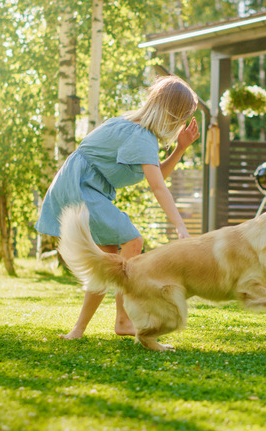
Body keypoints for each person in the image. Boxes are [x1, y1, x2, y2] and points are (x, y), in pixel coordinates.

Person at [36, 75, 200, 340]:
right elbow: (158, 188)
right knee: (132, 240)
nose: (182, 123)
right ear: (172, 113)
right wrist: (180, 226)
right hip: (80, 187)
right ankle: (123, 320)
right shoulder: (142, 137)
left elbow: (156, 177)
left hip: (81, 185)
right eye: (183, 116)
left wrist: (180, 148)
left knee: (110, 260)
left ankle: (78, 330)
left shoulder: (137, 130)